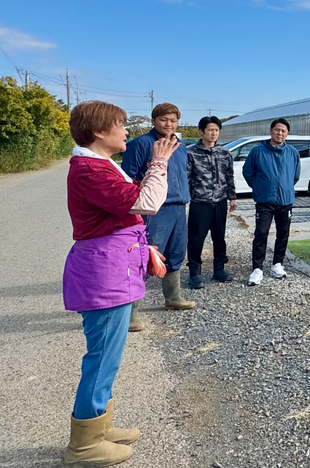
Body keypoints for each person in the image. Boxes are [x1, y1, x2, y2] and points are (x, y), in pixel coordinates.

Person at [62, 101, 176, 468]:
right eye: (120, 124)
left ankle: (99, 425)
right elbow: (146, 201)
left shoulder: (100, 165)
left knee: (108, 356)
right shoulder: (91, 170)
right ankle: (84, 445)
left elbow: (131, 201)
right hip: (105, 272)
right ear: (99, 131)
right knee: (102, 357)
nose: (126, 131)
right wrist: (159, 162)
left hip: (113, 266)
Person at [121, 103, 195, 322]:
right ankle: (130, 314)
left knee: (176, 253)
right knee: (145, 257)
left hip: (178, 207)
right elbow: (129, 177)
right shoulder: (142, 143)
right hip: (154, 210)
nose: (168, 124)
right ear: (153, 120)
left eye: (173, 120)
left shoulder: (180, 146)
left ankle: (173, 297)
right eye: (164, 120)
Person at [242, 118, 299, 286]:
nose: (279, 133)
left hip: (285, 201)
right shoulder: (258, 151)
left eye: (283, 131)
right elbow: (247, 172)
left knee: (283, 233)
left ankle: (277, 264)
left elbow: (295, 175)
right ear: (271, 131)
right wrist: (259, 187)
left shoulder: (293, 153)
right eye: (277, 129)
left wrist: (286, 187)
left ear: (287, 133)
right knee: (261, 233)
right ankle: (257, 268)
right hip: (264, 201)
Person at [186, 116, 237, 287]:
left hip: (220, 200)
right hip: (200, 202)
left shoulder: (224, 153)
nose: (213, 133)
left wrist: (232, 197)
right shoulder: (191, 153)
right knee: (196, 238)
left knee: (219, 237)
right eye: (210, 130)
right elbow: (186, 178)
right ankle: (194, 273)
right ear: (201, 131)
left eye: (216, 130)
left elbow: (229, 176)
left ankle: (219, 269)